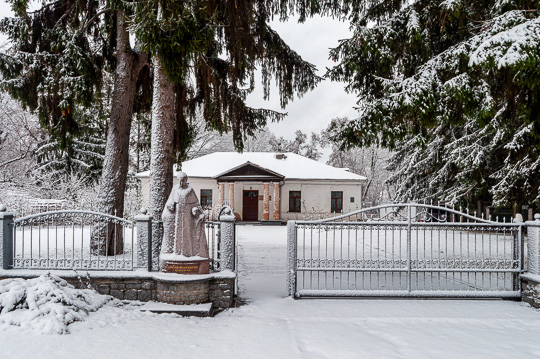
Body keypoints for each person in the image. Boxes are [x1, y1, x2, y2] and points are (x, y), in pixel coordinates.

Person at [160, 171, 209, 270]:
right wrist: (170, 205)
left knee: (187, 233)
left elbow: (196, 204)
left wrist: (196, 210)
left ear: (186, 180)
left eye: (183, 180)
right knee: (177, 233)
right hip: (177, 216)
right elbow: (170, 200)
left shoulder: (190, 190)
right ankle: (177, 252)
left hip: (187, 217)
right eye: (180, 180)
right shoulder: (175, 189)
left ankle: (188, 253)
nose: (181, 182)